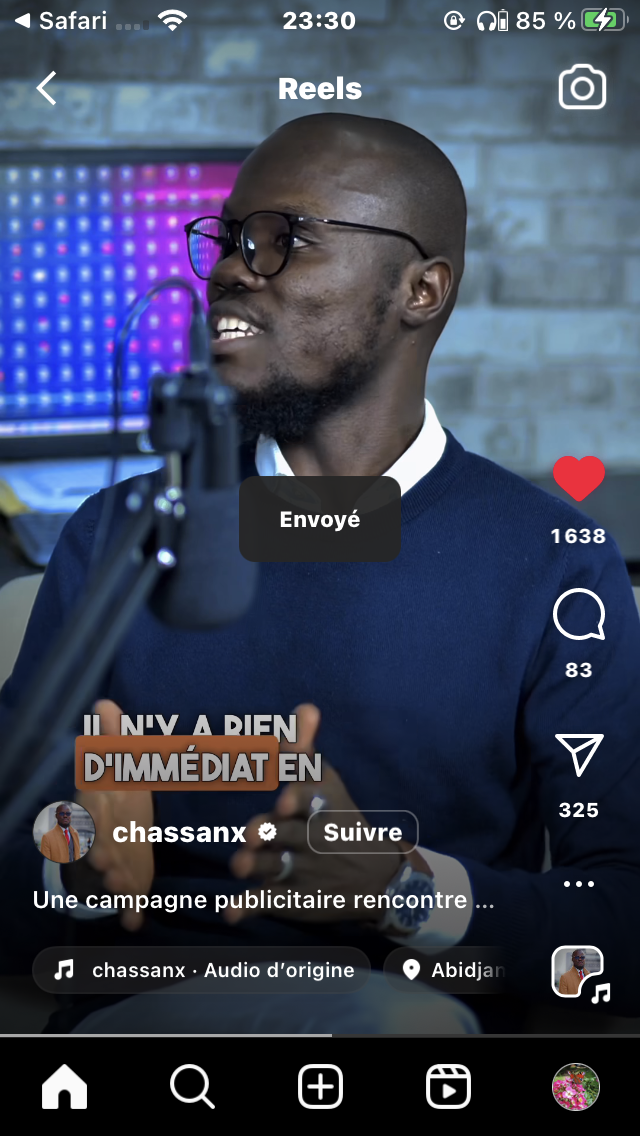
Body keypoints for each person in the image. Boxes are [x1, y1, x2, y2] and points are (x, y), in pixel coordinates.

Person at [1, 113, 640, 1035]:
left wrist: (400, 890)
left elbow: (618, 917)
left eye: (283, 239)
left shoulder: (553, 563)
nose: (230, 269)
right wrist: (76, 872)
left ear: (421, 290)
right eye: (228, 239)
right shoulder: (117, 533)